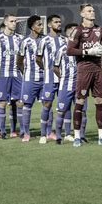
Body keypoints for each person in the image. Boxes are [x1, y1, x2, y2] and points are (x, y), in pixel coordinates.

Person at [67, 3, 102, 147]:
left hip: (98, 70)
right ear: (82, 14)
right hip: (84, 69)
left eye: (93, 10)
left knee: (100, 101)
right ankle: (76, 137)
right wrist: (87, 52)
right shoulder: (77, 31)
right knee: (80, 102)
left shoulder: (100, 30)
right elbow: (69, 50)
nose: (92, 12)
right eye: (89, 11)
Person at [0, 14, 24, 139]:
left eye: (15, 21)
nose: (14, 23)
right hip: (3, 75)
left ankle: (19, 131)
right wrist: (0, 69)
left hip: (17, 75)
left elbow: (22, 57)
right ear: (5, 23)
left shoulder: (20, 38)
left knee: (19, 102)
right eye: (11, 21)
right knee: (2, 103)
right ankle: (1, 131)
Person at [53, 23, 87, 144]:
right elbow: (55, 67)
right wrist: (63, 77)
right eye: (72, 31)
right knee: (61, 111)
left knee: (82, 111)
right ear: (67, 33)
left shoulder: (83, 49)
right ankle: (58, 136)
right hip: (65, 85)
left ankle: (81, 136)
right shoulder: (62, 50)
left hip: (81, 85)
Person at [36, 15, 65, 143]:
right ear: (49, 25)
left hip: (64, 78)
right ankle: (43, 134)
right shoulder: (44, 40)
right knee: (47, 104)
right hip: (49, 78)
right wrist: (47, 69)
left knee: (63, 106)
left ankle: (60, 134)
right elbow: (38, 58)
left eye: (60, 22)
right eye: (56, 22)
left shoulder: (65, 40)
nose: (59, 24)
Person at [16, 15, 44, 142]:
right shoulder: (25, 42)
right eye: (39, 24)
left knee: (47, 104)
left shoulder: (45, 40)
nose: (41, 26)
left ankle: (47, 132)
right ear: (32, 27)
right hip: (29, 78)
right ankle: (26, 133)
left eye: (42, 24)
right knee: (26, 105)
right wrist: (26, 73)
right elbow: (19, 61)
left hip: (45, 78)